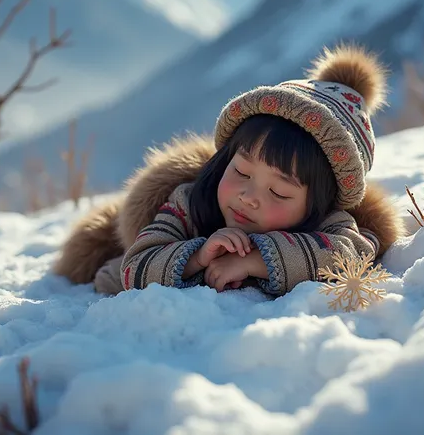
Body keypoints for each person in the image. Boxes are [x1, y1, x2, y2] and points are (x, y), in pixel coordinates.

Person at [53, 44, 403, 296]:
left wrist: (256, 262)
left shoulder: (328, 224)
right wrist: (197, 256)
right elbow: (136, 264)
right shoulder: (189, 203)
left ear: (319, 202)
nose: (249, 197)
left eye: (279, 192)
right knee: (110, 275)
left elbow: (353, 252)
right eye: (241, 172)